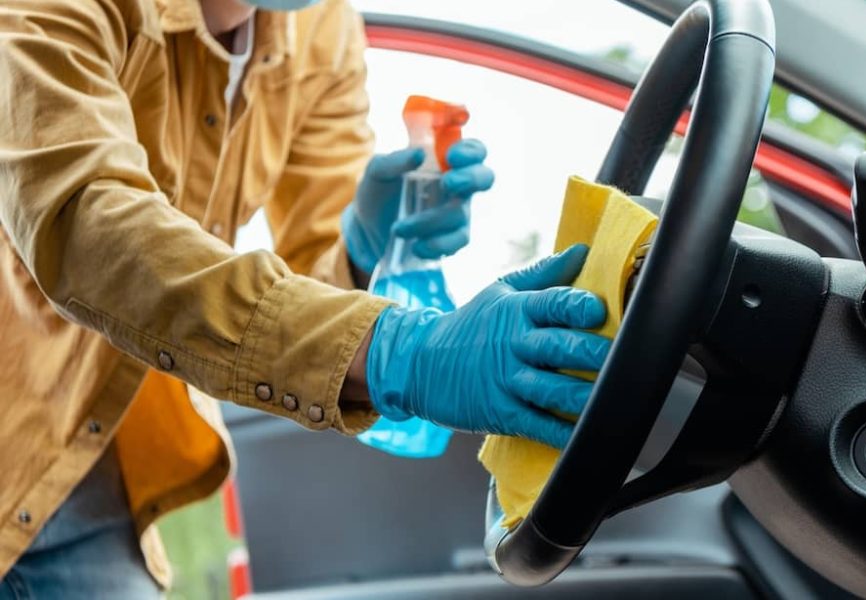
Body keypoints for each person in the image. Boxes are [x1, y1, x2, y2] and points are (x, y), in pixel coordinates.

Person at [0, 0, 611, 597]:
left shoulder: (321, 27)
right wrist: (402, 350)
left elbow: (311, 285)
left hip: (91, 470)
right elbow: (86, 227)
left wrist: (362, 249)